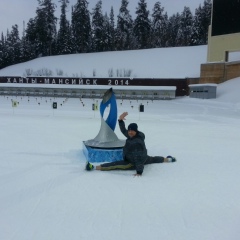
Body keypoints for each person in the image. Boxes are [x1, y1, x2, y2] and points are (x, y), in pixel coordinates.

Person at [86, 112, 176, 176]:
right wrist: (120, 120)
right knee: (153, 159)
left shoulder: (136, 143)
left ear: (135, 131)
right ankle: (169, 160)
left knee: (115, 165)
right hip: (145, 158)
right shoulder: (136, 135)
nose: (129, 132)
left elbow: (138, 159)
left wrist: (139, 172)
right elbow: (124, 131)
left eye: (131, 130)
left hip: (131, 162)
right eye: (129, 130)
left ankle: (93, 167)